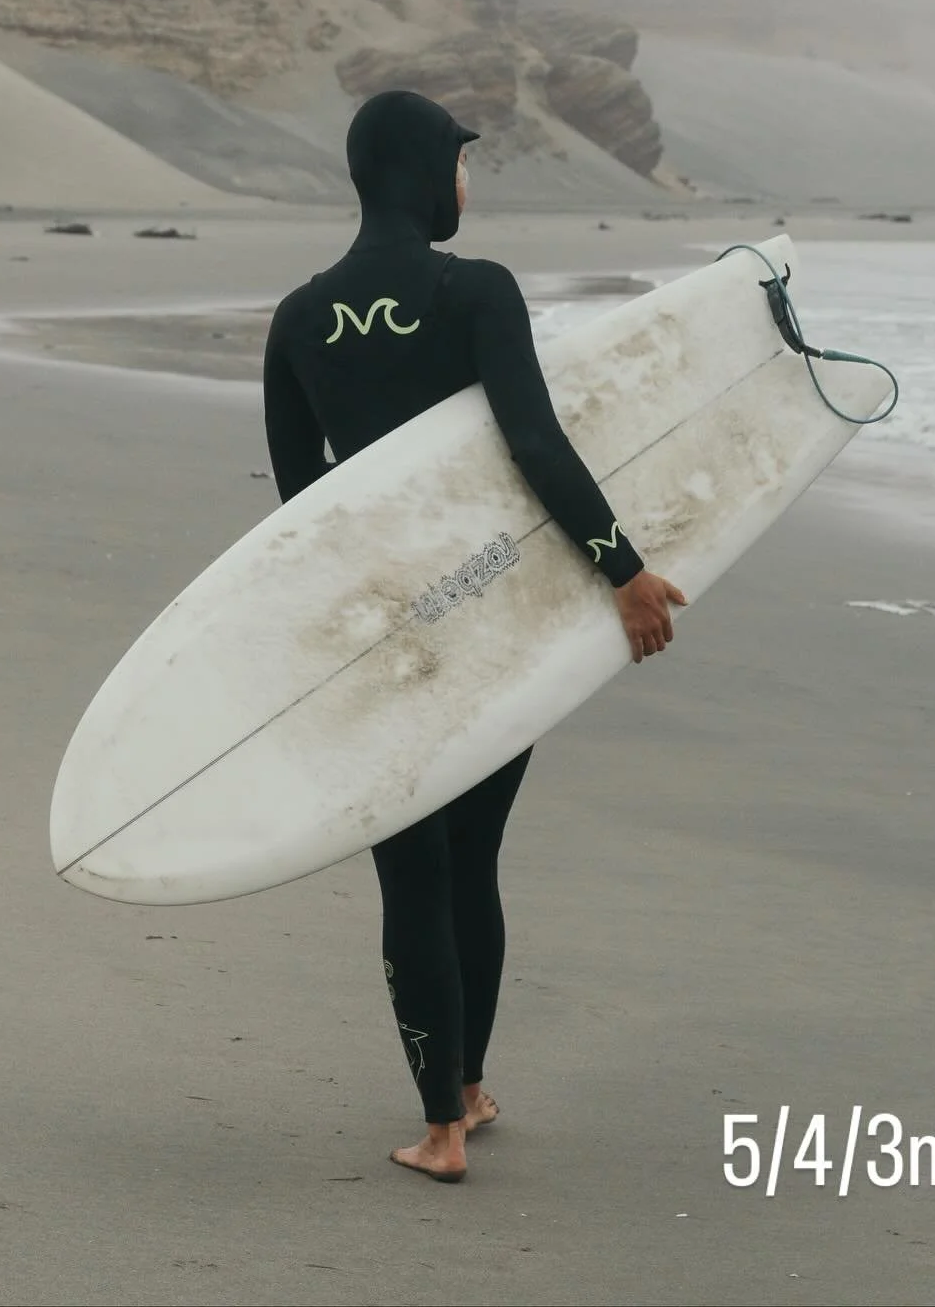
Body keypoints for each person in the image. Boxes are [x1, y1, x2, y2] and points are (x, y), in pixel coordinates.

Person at [262, 90, 686, 1182]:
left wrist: (327, 654)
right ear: (421, 171)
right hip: (494, 629)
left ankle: (447, 1113)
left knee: (412, 877)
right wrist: (624, 570)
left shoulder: (301, 319)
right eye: (460, 162)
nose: (466, 184)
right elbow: (535, 446)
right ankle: (461, 1101)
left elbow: (301, 519)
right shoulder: (476, 292)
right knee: (470, 863)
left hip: (386, 641)